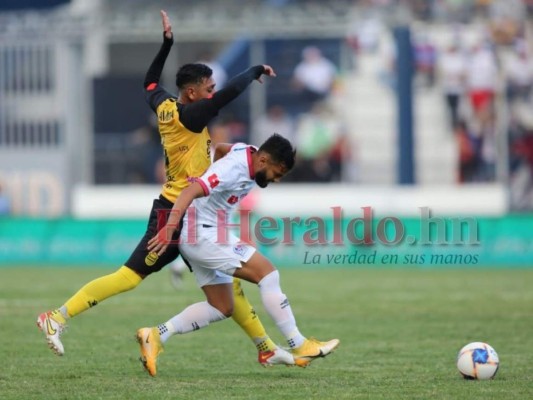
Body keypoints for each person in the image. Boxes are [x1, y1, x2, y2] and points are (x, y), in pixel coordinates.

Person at [37, 10, 296, 368]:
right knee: (128, 277)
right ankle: (57, 317)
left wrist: (166, 45)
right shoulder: (191, 118)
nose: (212, 94)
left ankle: (266, 348)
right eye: (208, 89)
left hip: (189, 212)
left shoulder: (165, 105)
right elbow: (227, 97)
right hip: (175, 211)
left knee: (226, 289)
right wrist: (254, 71)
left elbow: (148, 83)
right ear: (192, 93)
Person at [136, 134, 340, 376]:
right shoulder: (233, 169)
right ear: (264, 160)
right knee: (268, 274)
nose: (277, 179)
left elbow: (221, 148)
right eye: (278, 172)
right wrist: (170, 226)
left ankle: (156, 334)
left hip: (201, 234)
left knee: (222, 306)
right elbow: (190, 191)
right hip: (203, 235)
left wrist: (213, 172)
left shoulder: (247, 152)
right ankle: (299, 344)